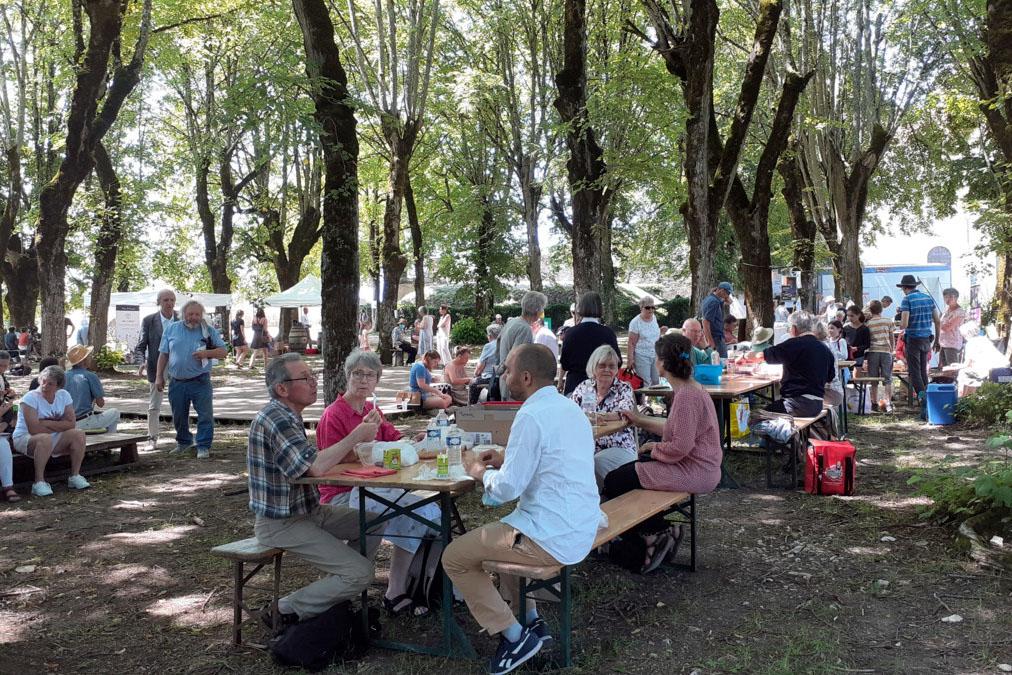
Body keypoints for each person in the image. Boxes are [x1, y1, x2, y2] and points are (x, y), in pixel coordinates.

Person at [443, 345, 600, 675]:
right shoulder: (570, 408)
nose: (503, 374)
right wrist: (505, 461)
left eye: (508, 370)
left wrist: (479, 472)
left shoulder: (530, 415)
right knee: (503, 535)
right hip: (581, 523)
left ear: (526, 377)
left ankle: (513, 636)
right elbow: (553, 462)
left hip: (551, 536)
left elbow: (507, 489)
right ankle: (531, 621)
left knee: (454, 556)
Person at [248, 353, 384, 626]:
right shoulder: (276, 418)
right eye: (305, 378)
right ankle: (284, 609)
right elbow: (316, 469)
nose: (313, 382)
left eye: (313, 376)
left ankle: (338, 591)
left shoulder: (289, 415)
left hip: (309, 511)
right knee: (360, 573)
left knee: (374, 522)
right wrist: (357, 435)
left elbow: (314, 464)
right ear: (282, 389)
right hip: (281, 523)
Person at [315, 350, 440, 616]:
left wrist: (412, 439)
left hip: (377, 486)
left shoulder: (373, 410)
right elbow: (329, 464)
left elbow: (393, 440)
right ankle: (347, 590)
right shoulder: (333, 414)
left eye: (369, 375)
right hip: (342, 492)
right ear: (347, 377)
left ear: (376, 381)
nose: (363, 380)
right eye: (357, 374)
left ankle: (399, 588)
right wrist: (364, 443)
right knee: (394, 513)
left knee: (426, 512)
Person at [611, 333, 722, 572]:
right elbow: (676, 429)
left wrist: (655, 449)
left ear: (661, 362)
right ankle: (660, 528)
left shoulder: (686, 397)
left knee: (617, 480)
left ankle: (648, 539)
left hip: (695, 471)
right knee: (627, 471)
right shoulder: (691, 389)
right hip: (701, 466)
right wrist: (640, 420)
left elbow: (681, 446)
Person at [156, 300, 228, 459]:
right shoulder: (172, 329)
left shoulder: (208, 331)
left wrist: (207, 354)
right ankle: (184, 442)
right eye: (190, 314)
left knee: (205, 415)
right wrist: (159, 376)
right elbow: (163, 354)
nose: (193, 317)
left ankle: (203, 446)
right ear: (183, 315)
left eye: (197, 314)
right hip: (176, 381)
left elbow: (223, 352)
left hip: (200, 381)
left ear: (201, 315)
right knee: (179, 415)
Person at [12, 365, 90, 497]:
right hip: (25, 437)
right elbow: (34, 429)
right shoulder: (30, 398)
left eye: (50, 384)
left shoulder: (64, 396)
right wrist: (60, 424)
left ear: (58, 387)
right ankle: (39, 482)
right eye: (43, 381)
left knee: (79, 434)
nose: (45, 385)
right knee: (44, 438)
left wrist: (47, 422)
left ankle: (75, 475)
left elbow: (71, 424)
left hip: (52, 436)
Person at [569, 345, 637, 486]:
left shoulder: (623, 388)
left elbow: (624, 413)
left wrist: (599, 416)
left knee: (593, 464)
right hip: (587, 447)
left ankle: (596, 503)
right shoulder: (584, 387)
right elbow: (569, 412)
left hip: (619, 448)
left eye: (611, 366)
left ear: (617, 369)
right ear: (594, 367)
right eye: (602, 365)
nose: (607, 369)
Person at [762, 311, 836, 417]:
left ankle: (787, 433)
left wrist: (746, 356)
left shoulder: (794, 344)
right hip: (817, 404)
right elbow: (830, 377)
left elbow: (766, 355)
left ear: (793, 328)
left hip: (796, 403)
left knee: (759, 416)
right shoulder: (825, 348)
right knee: (774, 408)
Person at [134, 289, 178, 452]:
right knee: (154, 405)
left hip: (178, 367)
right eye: (166, 300)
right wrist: (141, 362)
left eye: (172, 300)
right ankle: (152, 438)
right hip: (155, 366)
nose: (169, 303)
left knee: (180, 402)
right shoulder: (149, 320)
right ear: (159, 302)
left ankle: (182, 438)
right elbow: (140, 346)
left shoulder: (182, 319)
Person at [559, 291, 620, 395]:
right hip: (601, 386)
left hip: (575, 384)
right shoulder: (608, 333)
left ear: (581, 307)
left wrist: (560, 381)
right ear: (600, 308)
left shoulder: (571, 333)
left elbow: (564, 362)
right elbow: (618, 362)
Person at [896, 274, 941, 402]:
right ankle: (929, 400)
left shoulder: (907, 299)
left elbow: (904, 324)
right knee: (923, 371)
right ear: (915, 286)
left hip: (913, 339)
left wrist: (899, 322)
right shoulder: (928, 298)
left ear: (904, 288)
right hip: (927, 339)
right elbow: (937, 321)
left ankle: (924, 400)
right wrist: (937, 341)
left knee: (915, 373)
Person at [498, 290, 548, 399]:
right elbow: (517, 360)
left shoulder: (512, 322)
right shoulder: (524, 329)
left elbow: (498, 345)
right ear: (537, 311)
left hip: (504, 380)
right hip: (514, 386)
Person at [65, 345, 120, 433]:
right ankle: (110, 438)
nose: (90, 358)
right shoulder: (90, 376)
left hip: (66, 423)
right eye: (88, 356)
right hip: (84, 420)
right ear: (83, 361)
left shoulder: (63, 376)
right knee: (115, 413)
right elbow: (100, 403)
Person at [956, 322, 1009, 396]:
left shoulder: (971, 343)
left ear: (966, 334)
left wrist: (955, 366)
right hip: (1004, 370)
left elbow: (967, 364)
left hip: (992, 371)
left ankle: (963, 397)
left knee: (962, 373)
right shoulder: (984, 340)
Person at [865, 300, 895, 412]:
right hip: (886, 351)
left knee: (873, 378)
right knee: (887, 377)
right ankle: (888, 402)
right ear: (881, 309)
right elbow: (891, 336)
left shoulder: (868, 323)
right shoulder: (888, 321)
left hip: (873, 351)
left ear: (870, 310)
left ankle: (874, 402)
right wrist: (892, 349)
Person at [628, 295, 661, 386]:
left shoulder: (654, 317)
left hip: (655, 354)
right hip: (641, 356)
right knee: (645, 382)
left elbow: (655, 335)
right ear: (641, 308)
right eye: (648, 307)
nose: (651, 310)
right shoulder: (635, 323)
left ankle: (655, 400)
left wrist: (661, 331)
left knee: (656, 381)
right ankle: (643, 400)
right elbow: (631, 343)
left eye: (653, 307)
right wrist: (630, 360)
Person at [470, 323, 501, 404]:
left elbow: (480, 367)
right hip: (502, 377)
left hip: (490, 377)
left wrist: (475, 374)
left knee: (473, 384)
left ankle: (470, 408)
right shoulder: (505, 344)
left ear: (489, 335)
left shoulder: (488, 346)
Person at [700, 281, 733, 357]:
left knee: (721, 362)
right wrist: (710, 341)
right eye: (728, 293)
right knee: (722, 363)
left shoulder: (714, 299)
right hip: (715, 338)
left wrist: (726, 297)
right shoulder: (713, 302)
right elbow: (705, 322)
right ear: (721, 290)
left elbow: (730, 302)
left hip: (717, 337)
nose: (728, 295)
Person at [938, 288, 967, 367]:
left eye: (951, 297)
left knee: (952, 370)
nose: (948, 299)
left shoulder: (960, 312)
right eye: (946, 297)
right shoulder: (946, 311)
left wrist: (937, 322)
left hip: (952, 344)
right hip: (943, 343)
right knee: (944, 370)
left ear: (956, 298)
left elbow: (947, 327)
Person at [823, 320, 848, 407]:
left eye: (832, 328)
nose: (830, 330)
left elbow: (845, 355)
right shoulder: (828, 341)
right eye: (829, 328)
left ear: (839, 329)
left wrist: (833, 352)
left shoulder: (841, 341)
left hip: (841, 368)